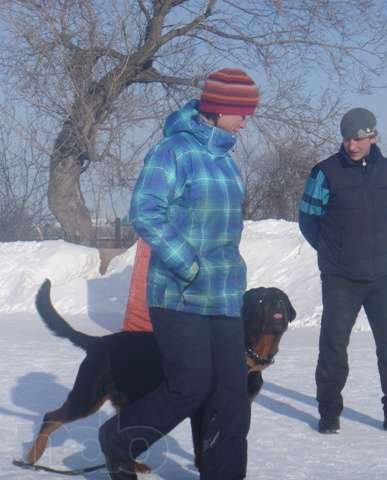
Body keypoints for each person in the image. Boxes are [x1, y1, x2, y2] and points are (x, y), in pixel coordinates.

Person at [99, 68, 259, 480]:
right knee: (190, 387)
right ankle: (119, 438)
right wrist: (187, 264)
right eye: (242, 110)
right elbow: (145, 211)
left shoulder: (225, 159)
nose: (247, 118)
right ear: (219, 107)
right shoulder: (174, 151)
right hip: (179, 294)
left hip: (223, 295)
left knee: (231, 396)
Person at [298, 108, 387, 434]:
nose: (351, 145)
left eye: (358, 138)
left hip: (383, 272)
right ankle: (329, 412)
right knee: (334, 344)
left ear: (372, 137)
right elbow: (307, 218)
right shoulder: (325, 172)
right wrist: (333, 253)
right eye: (346, 138)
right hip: (341, 276)